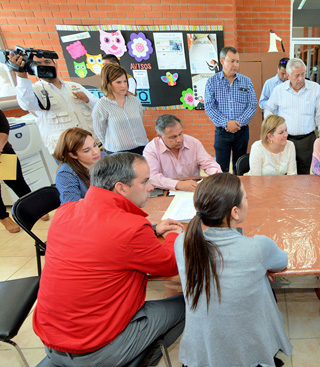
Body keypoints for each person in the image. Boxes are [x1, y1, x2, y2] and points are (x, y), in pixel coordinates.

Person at [34, 153, 186, 367]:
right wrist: (173, 236)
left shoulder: (65, 211)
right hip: (96, 350)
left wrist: (152, 230)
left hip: (51, 341)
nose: (151, 187)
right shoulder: (130, 227)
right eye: (144, 182)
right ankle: (140, 356)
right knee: (187, 303)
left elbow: (100, 238)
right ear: (121, 188)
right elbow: (169, 264)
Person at [174, 173, 292, 367]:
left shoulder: (182, 242)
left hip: (202, 353)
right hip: (245, 354)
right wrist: (261, 267)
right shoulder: (258, 247)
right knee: (264, 284)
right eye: (246, 197)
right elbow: (281, 262)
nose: (248, 200)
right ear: (235, 212)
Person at [9, 51, 98, 154]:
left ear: (55, 64)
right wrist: (21, 75)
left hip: (91, 145)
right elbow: (26, 104)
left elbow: (98, 106)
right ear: (33, 68)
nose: (44, 66)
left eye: (47, 62)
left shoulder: (74, 85)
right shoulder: (33, 90)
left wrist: (87, 100)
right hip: (66, 151)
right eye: (39, 64)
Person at [265, 58, 320, 174]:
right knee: (284, 172)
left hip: (307, 140)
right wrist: (273, 129)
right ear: (288, 75)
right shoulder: (279, 90)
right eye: (297, 75)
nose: (301, 79)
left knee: (304, 174)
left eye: (303, 74)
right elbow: (268, 108)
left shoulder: (315, 89)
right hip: (285, 139)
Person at [205, 46, 257, 173]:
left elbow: (252, 105)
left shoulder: (246, 81)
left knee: (240, 167)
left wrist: (237, 123)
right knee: (221, 168)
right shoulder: (212, 82)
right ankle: (223, 192)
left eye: (237, 61)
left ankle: (238, 191)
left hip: (242, 131)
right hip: (222, 132)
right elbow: (209, 106)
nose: (236, 65)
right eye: (232, 61)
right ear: (222, 61)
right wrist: (226, 123)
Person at [143, 114, 221, 192]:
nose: (179, 140)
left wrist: (216, 174)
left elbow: (209, 163)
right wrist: (178, 184)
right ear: (160, 136)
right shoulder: (151, 149)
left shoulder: (193, 143)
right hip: (167, 190)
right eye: (173, 137)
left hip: (194, 189)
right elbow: (152, 177)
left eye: (180, 134)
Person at [0, 109, 49, 233]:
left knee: (17, 182)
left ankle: (32, 207)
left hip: (3, 152)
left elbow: (3, 126)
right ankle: (4, 218)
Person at [92, 63, 148, 154]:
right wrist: (110, 145)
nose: (123, 85)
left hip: (141, 147)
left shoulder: (134, 101)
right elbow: (99, 131)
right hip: (118, 151)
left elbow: (139, 121)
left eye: (125, 81)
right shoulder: (102, 105)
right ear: (108, 84)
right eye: (118, 82)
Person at [53, 127, 102, 205]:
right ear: (73, 155)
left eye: (95, 145)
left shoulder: (104, 157)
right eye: (87, 150)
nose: (96, 152)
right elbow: (72, 206)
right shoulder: (65, 174)